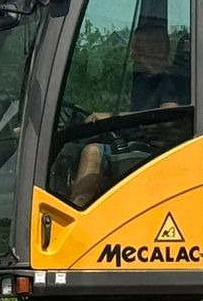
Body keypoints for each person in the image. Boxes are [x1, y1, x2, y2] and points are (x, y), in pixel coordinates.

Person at [66, 16, 191, 208]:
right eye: (135, 49)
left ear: (160, 49)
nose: (134, 55)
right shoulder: (143, 82)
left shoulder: (172, 81)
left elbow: (168, 116)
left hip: (155, 151)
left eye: (140, 49)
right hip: (136, 145)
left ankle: (75, 208)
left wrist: (111, 117)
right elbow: (139, 113)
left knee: (93, 152)